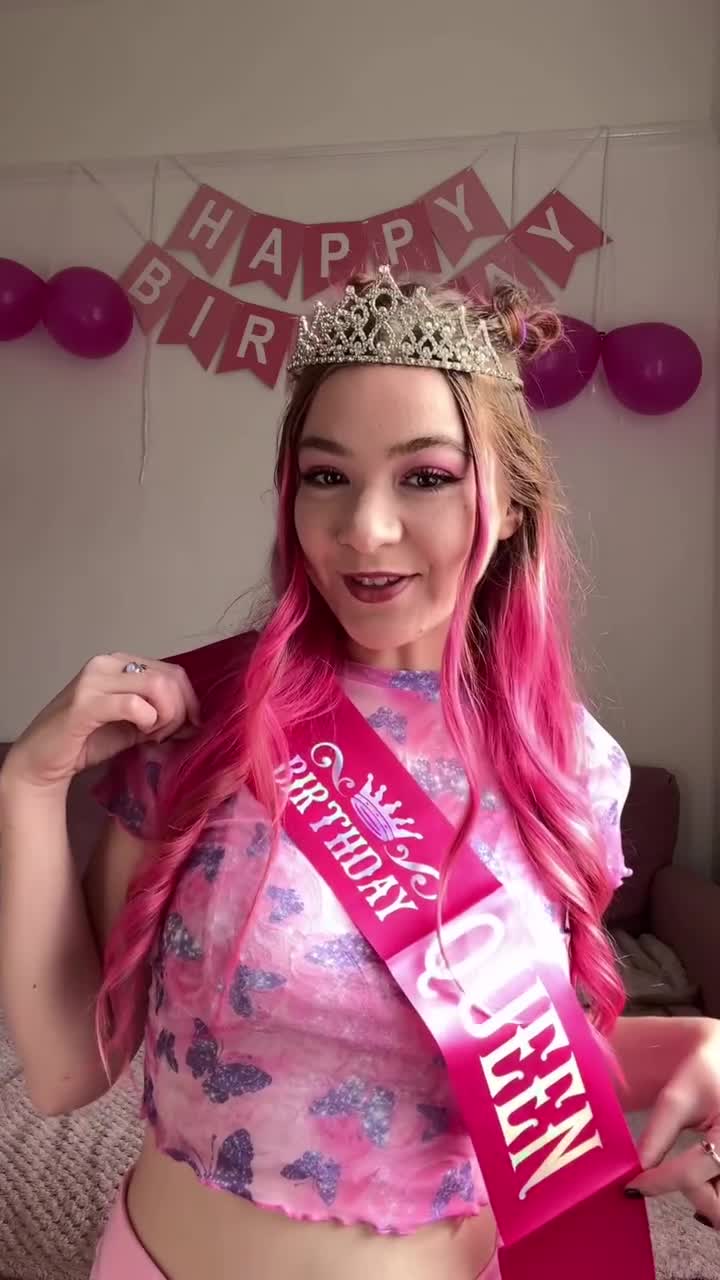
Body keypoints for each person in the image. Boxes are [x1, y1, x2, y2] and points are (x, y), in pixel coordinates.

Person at [1, 268, 719, 1280]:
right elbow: (68, 1069)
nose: (365, 529)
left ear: (512, 506)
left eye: (425, 476)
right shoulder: (201, 723)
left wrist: (692, 1044)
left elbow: (515, 1064)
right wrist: (29, 790)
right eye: (326, 476)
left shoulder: (567, 762)